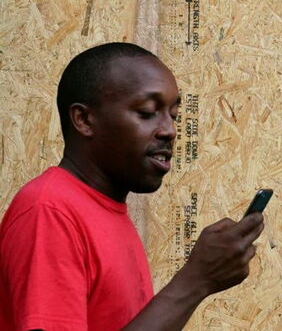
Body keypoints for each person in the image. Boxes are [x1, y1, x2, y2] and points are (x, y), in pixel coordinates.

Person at [0, 43, 265, 330]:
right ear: (84, 119)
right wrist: (196, 281)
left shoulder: (103, 210)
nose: (170, 130)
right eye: (147, 112)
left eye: (174, 115)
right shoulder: (49, 212)